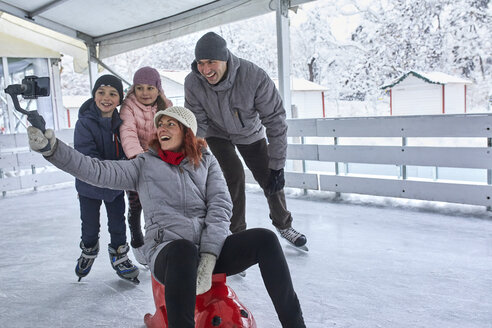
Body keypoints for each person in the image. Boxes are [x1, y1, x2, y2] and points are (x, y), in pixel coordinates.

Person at [27, 106, 306, 328]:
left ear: (187, 132)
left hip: (209, 250)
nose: (162, 128)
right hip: (168, 253)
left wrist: (209, 257)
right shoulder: (143, 164)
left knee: (266, 239)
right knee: (184, 250)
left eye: (170, 124)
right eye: (160, 124)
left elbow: (221, 207)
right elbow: (96, 170)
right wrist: (53, 150)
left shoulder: (207, 161)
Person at [184, 32, 308, 249]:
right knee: (233, 175)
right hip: (217, 133)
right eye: (201, 63)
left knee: (269, 176)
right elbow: (197, 122)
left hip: (249, 132)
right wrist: (191, 153)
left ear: (225, 58)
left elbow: (275, 119)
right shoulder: (193, 82)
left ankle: (283, 224)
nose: (205, 70)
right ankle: (236, 232)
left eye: (211, 62)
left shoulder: (253, 76)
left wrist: (278, 166)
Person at [73, 74, 139, 283]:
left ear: (119, 99)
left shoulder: (122, 124)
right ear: (94, 96)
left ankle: (120, 254)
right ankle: (89, 249)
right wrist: (111, 168)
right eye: (101, 92)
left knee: (118, 223)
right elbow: (86, 153)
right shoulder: (84, 123)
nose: (106, 98)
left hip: (114, 186)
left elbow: (127, 148)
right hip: (88, 186)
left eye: (113, 94)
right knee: (90, 225)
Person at [119, 66, 173, 264]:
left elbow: (173, 132)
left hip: (161, 161)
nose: (145, 93)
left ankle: (162, 240)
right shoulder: (128, 106)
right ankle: (137, 241)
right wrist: (138, 158)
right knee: (136, 205)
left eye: (150, 88)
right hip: (136, 162)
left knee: (161, 204)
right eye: (140, 88)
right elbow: (128, 132)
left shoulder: (166, 106)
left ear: (158, 88)